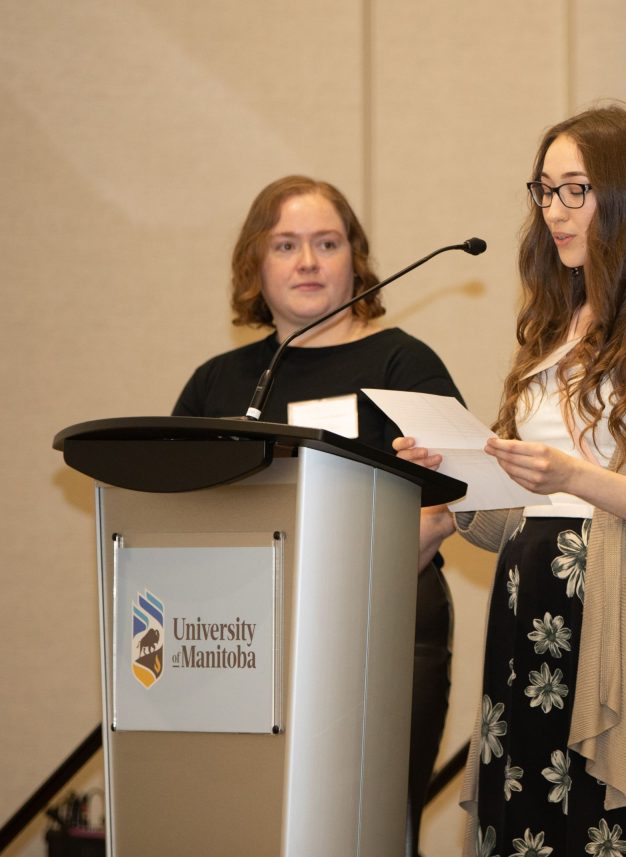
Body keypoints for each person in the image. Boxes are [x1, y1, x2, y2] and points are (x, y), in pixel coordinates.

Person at [396, 106, 626, 857]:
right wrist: (454, 475)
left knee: (601, 829)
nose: (554, 210)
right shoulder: (555, 319)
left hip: (612, 609)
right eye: (545, 190)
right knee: (527, 825)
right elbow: (509, 512)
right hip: (527, 604)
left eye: (575, 189)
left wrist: (576, 476)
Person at [172, 175, 460, 848]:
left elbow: (455, 502)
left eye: (327, 243)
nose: (307, 261)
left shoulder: (402, 362)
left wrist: (353, 579)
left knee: (367, 829)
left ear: (355, 259)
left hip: (379, 630)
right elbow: (176, 510)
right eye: (286, 245)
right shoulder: (219, 380)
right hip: (237, 637)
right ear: (255, 263)